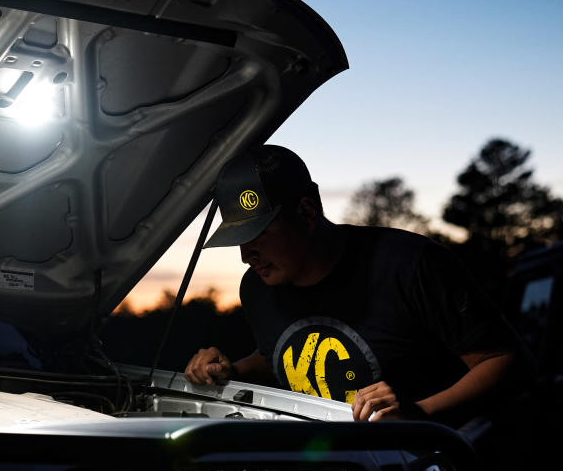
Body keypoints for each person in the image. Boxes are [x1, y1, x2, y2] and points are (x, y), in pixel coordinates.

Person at [184, 144, 525, 426]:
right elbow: (279, 351)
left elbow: (508, 361)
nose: (246, 256)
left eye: (257, 235)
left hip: (431, 469)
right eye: (239, 240)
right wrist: (230, 370)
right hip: (333, 469)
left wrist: (419, 414)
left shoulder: (410, 264)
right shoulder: (258, 289)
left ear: (306, 211)